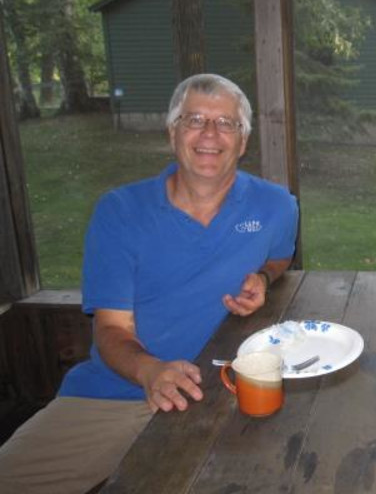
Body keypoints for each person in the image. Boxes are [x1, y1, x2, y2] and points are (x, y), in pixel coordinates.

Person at [0, 73, 299, 493]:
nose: (210, 134)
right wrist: (149, 370)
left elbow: (280, 254)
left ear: (243, 140)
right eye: (194, 119)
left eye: (226, 123)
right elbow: (110, 329)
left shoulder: (277, 206)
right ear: (172, 132)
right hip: (119, 394)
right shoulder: (120, 212)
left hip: (228, 391)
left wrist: (266, 276)